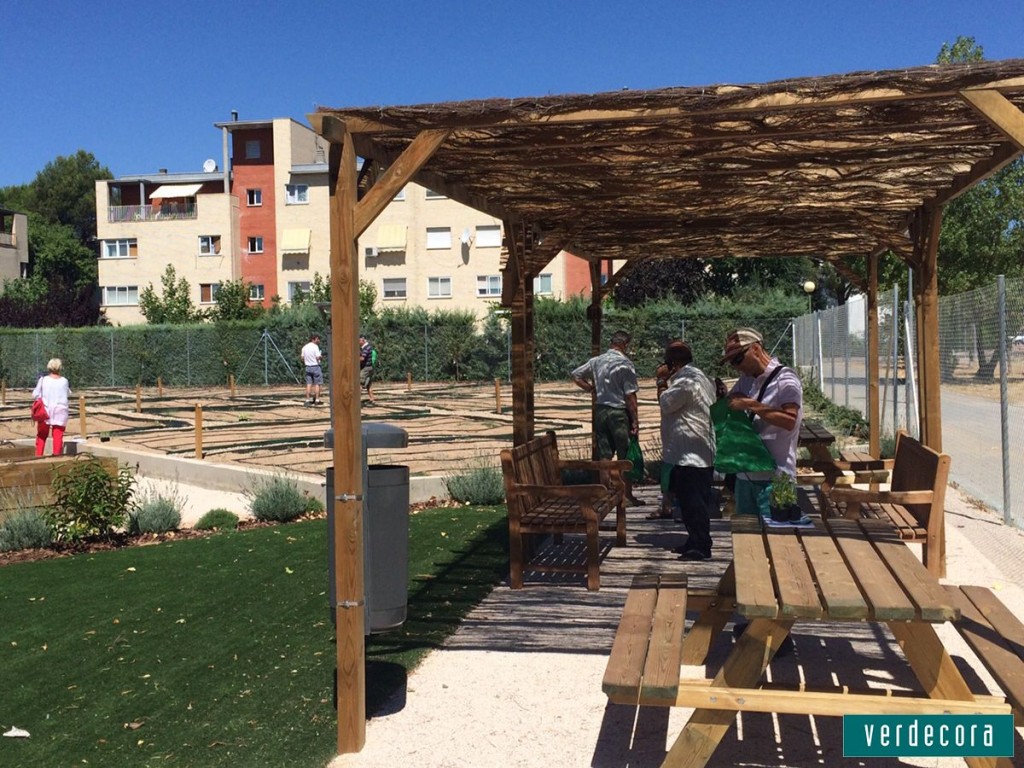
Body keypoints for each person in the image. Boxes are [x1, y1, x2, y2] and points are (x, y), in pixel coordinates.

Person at [720, 327, 803, 516]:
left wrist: (752, 405)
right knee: (746, 532)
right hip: (745, 475)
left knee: (778, 532)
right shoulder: (746, 380)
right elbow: (731, 403)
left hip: (777, 478)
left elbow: (790, 420)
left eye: (738, 359)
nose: (736, 366)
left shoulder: (786, 379)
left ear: (756, 349)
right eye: (732, 362)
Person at [659, 341, 717, 560]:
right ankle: (694, 540)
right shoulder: (700, 376)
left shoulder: (685, 381)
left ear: (672, 363)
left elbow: (666, 403)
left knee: (694, 503)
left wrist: (661, 381)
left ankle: (700, 546)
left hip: (690, 454)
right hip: (694, 451)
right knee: (690, 502)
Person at [571, 330, 641, 505]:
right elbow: (630, 395)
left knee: (604, 455)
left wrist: (590, 389)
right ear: (624, 344)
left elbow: (576, 375)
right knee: (625, 455)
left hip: (601, 411)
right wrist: (635, 419)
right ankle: (626, 495)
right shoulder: (625, 364)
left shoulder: (597, 361)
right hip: (619, 412)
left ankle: (605, 494)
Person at [33, 358, 71, 457]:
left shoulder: (43, 380)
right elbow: (67, 393)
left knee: (41, 434)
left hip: (45, 410)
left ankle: (38, 455)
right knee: (58, 435)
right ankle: (56, 457)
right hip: (60, 410)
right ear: (60, 367)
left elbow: (35, 394)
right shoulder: (64, 381)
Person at [300, 333, 323, 406]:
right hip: (315, 366)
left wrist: (307, 361)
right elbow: (318, 357)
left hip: (308, 367)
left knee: (308, 384)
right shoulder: (315, 347)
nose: (318, 340)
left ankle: (307, 400)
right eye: (317, 339)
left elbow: (302, 358)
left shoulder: (304, 347)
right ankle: (317, 399)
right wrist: (321, 357)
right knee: (317, 384)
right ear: (313, 339)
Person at [359, 335, 376, 404]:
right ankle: (372, 398)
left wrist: (354, 360)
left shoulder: (366, 348)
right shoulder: (367, 347)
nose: (358, 342)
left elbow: (362, 358)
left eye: (359, 340)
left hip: (365, 368)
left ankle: (356, 400)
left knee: (359, 383)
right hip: (369, 368)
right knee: (369, 385)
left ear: (363, 340)